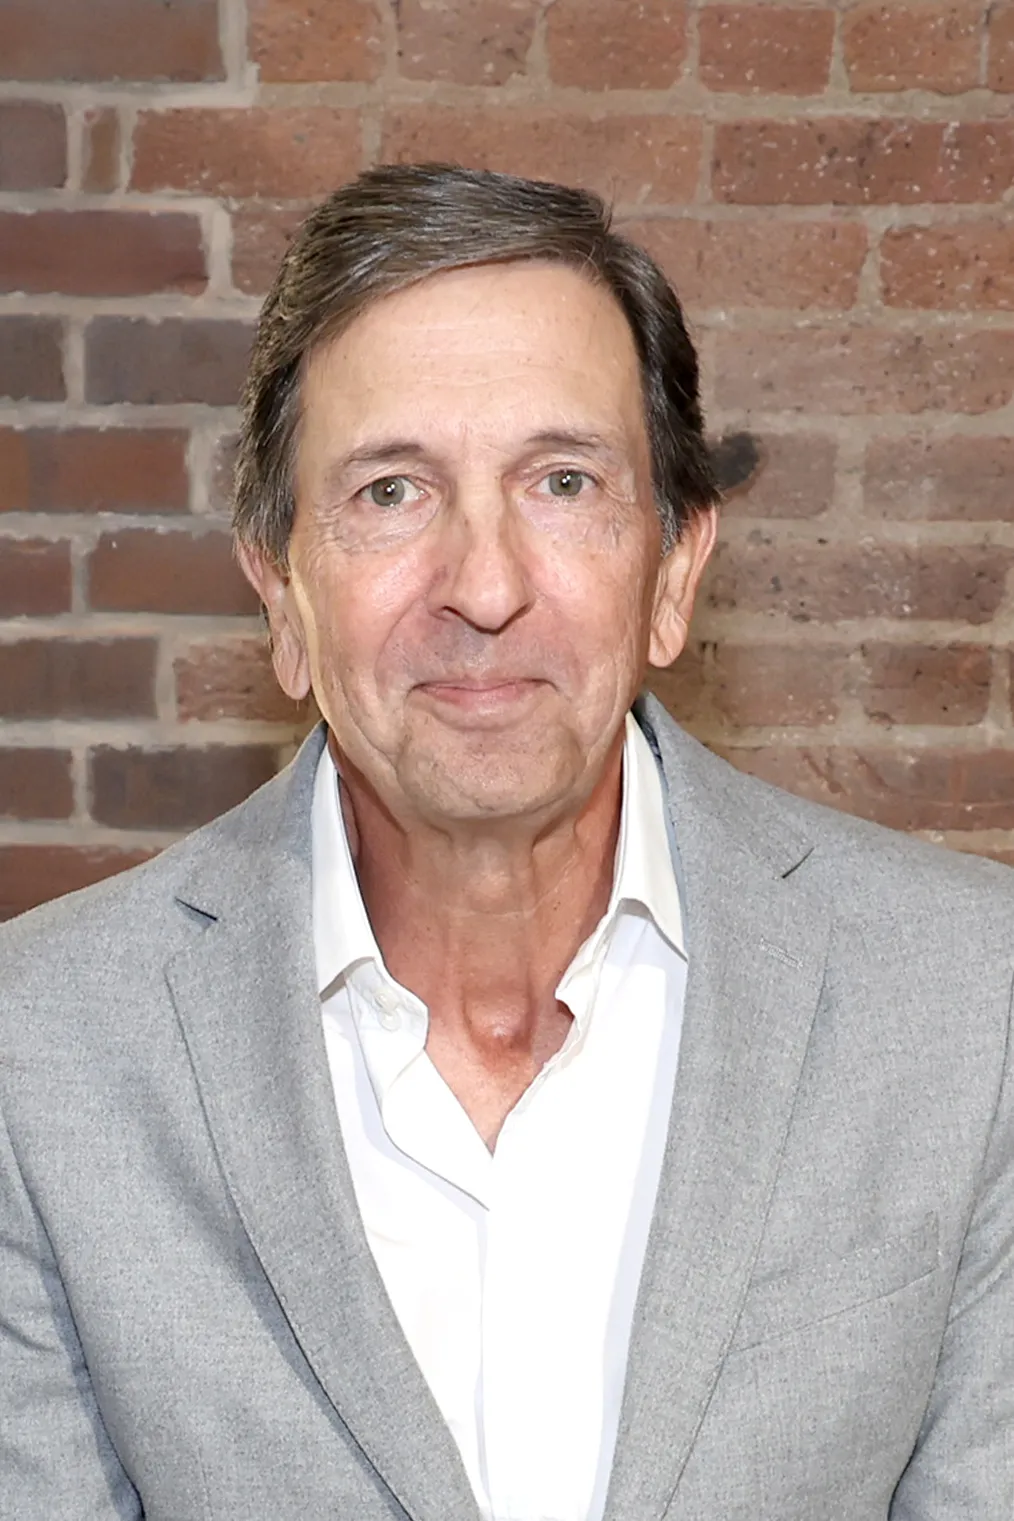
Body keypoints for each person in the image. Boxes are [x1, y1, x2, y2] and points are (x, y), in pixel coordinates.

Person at [1, 163, 1011, 1521]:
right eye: (390, 493)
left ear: (672, 572)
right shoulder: (38, 1057)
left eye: (561, 481)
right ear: (281, 595)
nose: (482, 588)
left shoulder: (969, 1005)